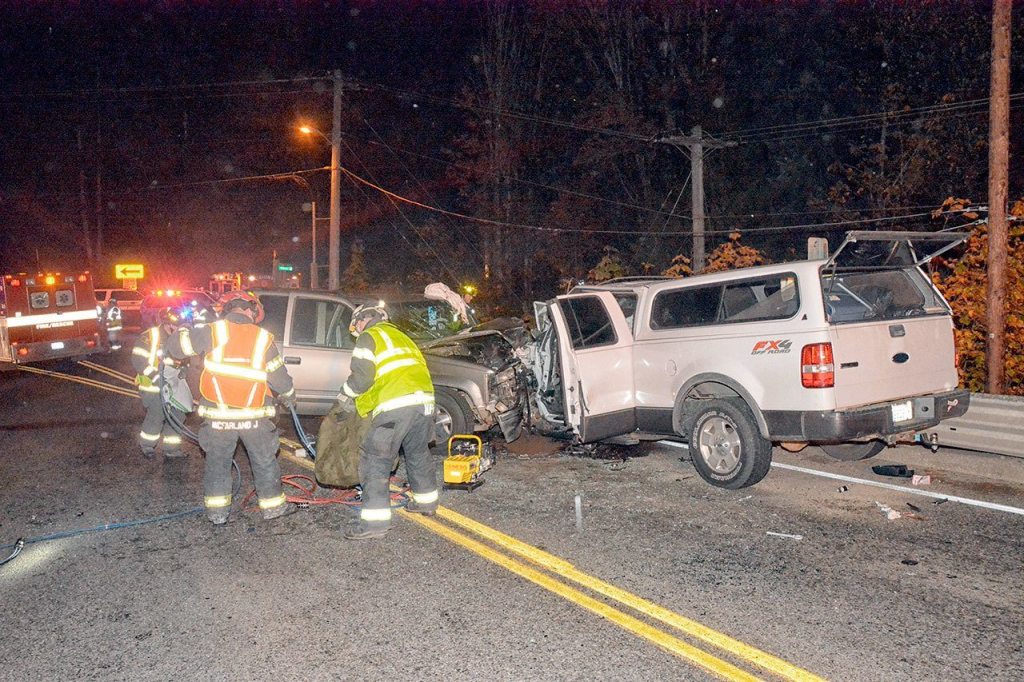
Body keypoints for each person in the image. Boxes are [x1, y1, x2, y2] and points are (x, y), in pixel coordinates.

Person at [167, 290, 297, 525]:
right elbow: (279, 378)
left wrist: (184, 329)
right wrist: (289, 395)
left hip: (219, 418)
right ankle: (273, 508)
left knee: (218, 463)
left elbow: (176, 349)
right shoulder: (263, 338)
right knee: (264, 461)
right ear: (250, 309)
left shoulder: (212, 331)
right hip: (255, 418)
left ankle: (217, 514)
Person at [335, 301, 440, 540]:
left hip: (395, 405)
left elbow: (361, 379)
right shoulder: (404, 337)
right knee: (417, 453)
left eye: (356, 325)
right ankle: (427, 503)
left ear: (362, 319)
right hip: (425, 404)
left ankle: (375, 525)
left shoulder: (369, 337)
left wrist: (344, 395)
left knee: (375, 460)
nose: (357, 330)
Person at [130, 307, 186, 459]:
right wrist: (156, 377)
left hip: (173, 384)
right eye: (177, 326)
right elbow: (138, 360)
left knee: (178, 414)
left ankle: (172, 449)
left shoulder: (180, 337)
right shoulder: (149, 337)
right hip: (152, 385)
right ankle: (147, 445)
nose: (180, 330)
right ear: (168, 324)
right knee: (157, 414)